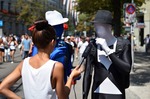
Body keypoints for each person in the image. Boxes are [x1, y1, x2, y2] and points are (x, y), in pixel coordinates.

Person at [0, 20, 81, 99]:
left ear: (34, 42)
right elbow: (62, 96)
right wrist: (71, 77)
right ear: (53, 42)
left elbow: (2, 88)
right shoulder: (56, 67)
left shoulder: (24, 63)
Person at [82, 10, 132, 99]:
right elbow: (88, 73)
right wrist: (84, 96)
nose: (97, 29)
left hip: (117, 93)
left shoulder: (123, 44)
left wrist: (108, 50)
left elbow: (126, 68)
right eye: (96, 26)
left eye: (100, 26)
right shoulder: (93, 46)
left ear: (109, 27)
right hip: (98, 94)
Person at [31, 10, 73, 83]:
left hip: (61, 90)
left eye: (61, 25)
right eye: (57, 26)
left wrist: (75, 74)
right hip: (43, 88)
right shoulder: (39, 46)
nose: (61, 28)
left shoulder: (67, 47)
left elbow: (68, 70)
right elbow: (34, 68)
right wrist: (51, 56)